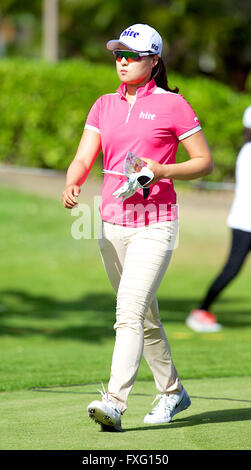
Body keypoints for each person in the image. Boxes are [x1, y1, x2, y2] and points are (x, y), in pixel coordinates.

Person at [62, 23, 213, 432]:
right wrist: (74, 177)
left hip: (156, 224)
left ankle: (114, 401)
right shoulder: (103, 105)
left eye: (130, 55)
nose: (122, 62)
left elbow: (203, 161)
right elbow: (83, 156)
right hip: (110, 223)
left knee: (128, 312)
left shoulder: (172, 106)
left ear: (152, 60)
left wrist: (163, 169)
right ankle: (173, 391)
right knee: (143, 318)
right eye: (117, 55)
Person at [186, 106, 251, 333]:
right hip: (245, 222)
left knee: (232, 269)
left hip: (244, 220)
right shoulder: (249, 152)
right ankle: (201, 310)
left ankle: (202, 310)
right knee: (231, 269)